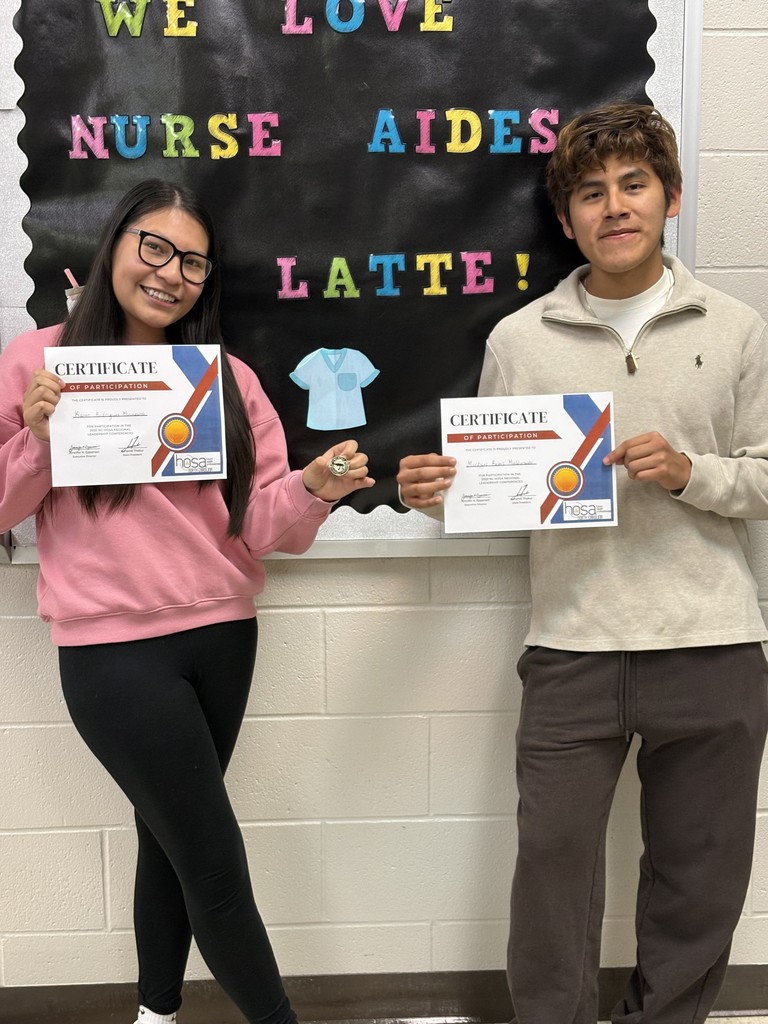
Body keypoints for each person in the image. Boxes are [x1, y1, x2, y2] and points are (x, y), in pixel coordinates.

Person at [397, 103, 768, 1024]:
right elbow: (497, 488)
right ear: (566, 220)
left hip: (714, 642)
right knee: (551, 878)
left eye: (634, 185)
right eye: (591, 194)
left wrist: (692, 474)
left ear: (670, 196)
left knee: (700, 882)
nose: (615, 208)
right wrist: (442, 490)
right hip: (572, 646)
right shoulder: (518, 341)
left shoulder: (737, 329)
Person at [0, 179, 374, 1024]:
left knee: (165, 843)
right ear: (116, 246)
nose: (172, 274)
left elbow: (256, 526)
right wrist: (36, 440)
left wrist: (314, 489)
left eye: (195, 263)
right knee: (212, 861)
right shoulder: (37, 363)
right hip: (111, 655)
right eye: (156, 248)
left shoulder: (226, 379)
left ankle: (156, 1014)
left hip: (223, 638)